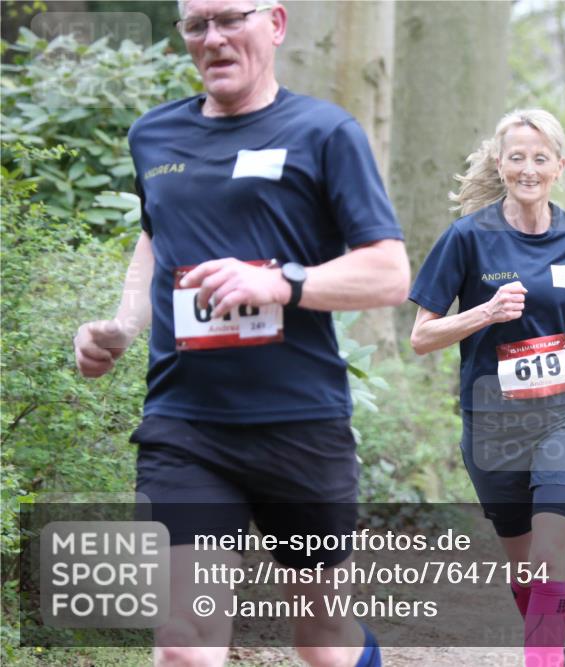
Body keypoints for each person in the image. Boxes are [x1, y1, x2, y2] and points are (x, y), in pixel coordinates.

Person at [73, 2, 409, 666]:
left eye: (230, 18)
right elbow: (155, 236)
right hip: (185, 427)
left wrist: (284, 282)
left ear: (276, 24)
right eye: (197, 25)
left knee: (322, 641)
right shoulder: (154, 135)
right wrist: (123, 323)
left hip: (300, 423)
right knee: (183, 643)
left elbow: (389, 272)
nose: (214, 38)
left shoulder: (325, 132)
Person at [409, 109, 565, 667]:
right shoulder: (466, 238)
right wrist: (482, 313)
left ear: (558, 166)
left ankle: (543, 659)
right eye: (516, 158)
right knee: (524, 563)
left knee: (549, 549)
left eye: (539, 158)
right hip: (494, 421)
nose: (527, 169)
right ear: (500, 163)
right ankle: (549, 641)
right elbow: (421, 337)